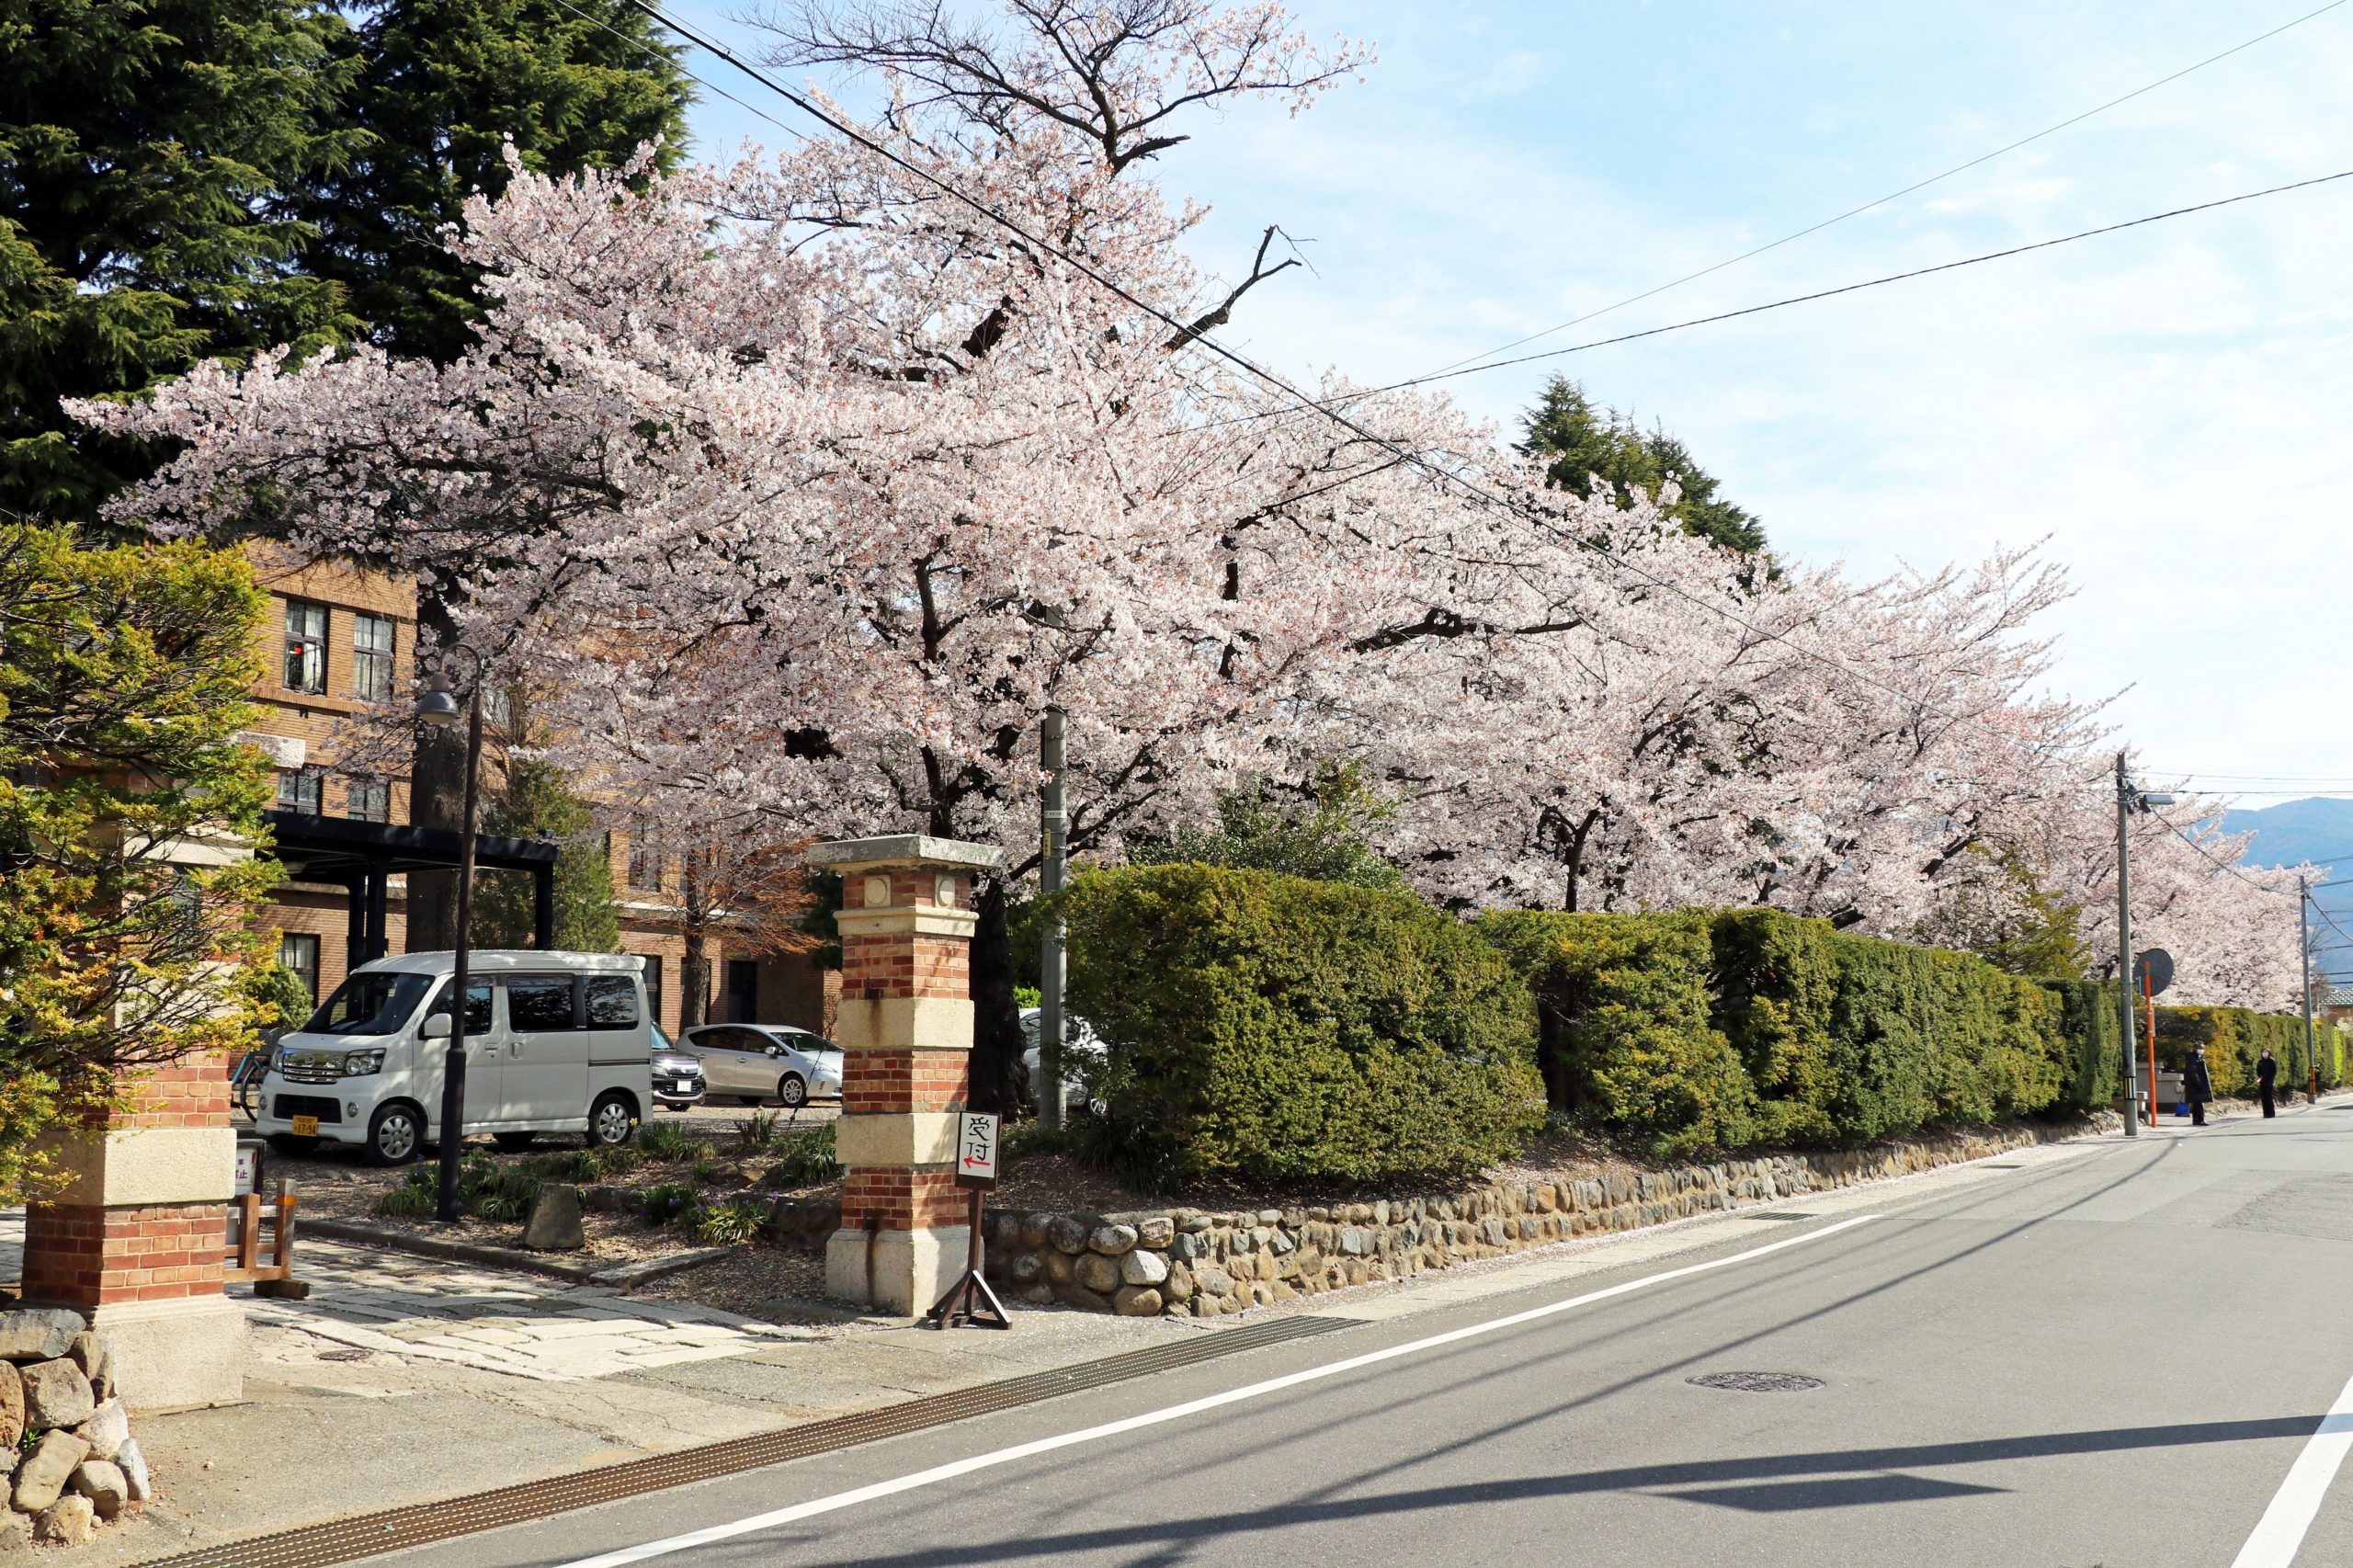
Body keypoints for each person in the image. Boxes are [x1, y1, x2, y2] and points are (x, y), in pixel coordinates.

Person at [2184, 1045, 2213, 1127]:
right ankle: (2200, 1119)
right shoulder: (2192, 1059)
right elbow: (2193, 1072)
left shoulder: (2198, 1057)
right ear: (2195, 1049)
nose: (2201, 1050)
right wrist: (2198, 1083)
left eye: (2203, 1048)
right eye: (2200, 1048)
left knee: (2197, 1102)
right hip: (2194, 1084)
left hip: (2195, 1083)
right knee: (2198, 1102)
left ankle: (2197, 1120)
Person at [2257, 1046, 2279, 1119]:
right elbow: (2258, 1072)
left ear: (2269, 1053)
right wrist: (2259, 1080)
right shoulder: (2260, 1062)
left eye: (2266, 1052)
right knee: (2263, 1098)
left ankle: (2271, 1113)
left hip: (2269, 1081)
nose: (2264, 1053)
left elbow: (2274, 1071)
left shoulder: (2272, 1061)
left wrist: (2271, 1080)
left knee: (2269, 1097)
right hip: (2262, 1082)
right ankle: (2265, 1113)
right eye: (2263, 1052)